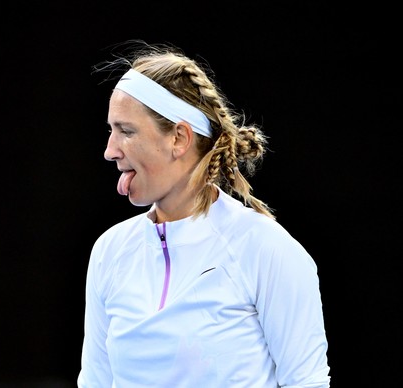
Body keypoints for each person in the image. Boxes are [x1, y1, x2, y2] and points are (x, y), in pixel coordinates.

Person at [77, 41, 330, 387]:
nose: (110, 150)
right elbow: (95, 381)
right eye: (111, 130)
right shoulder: (110, 251)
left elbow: (307, 382)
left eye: (126, 131)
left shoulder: (266, 250)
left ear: (179, 138)